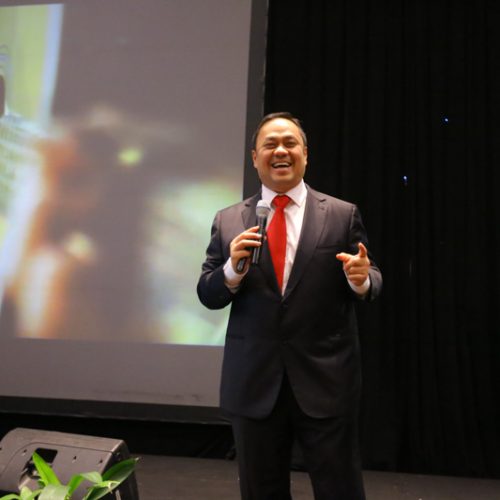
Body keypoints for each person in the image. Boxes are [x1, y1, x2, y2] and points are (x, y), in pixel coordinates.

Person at [197, 112, 382, 500]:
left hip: (326, 382)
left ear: (305, 154)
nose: (280, 151)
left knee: (340, 491)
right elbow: (209, 293)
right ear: (255, 158)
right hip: (254, 383)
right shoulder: (229, 220)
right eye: (270, 144)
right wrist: (232, 269)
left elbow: (371, 278)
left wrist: (360, 278)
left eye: (289, 143)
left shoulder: (341, 214)